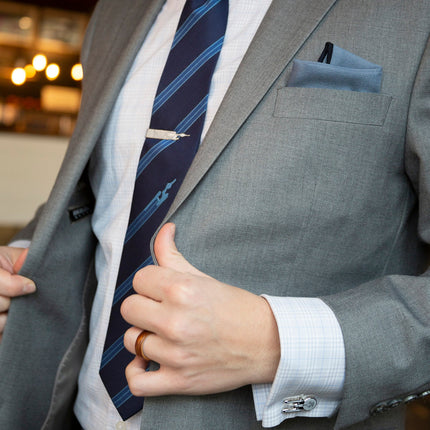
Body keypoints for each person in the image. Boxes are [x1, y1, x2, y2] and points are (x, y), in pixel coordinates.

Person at [1, 0, 430, 429]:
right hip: (71, 411)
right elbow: (104, 193)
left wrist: (275, 344)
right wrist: (24, 252)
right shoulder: (116, 11)